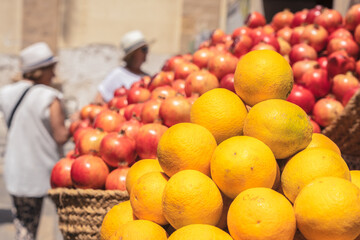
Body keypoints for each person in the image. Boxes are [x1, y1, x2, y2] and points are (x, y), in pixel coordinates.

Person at [0, 42, 69, 240]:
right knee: (67, 223)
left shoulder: (6, 93)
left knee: (24, 229)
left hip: (17, 171)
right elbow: (61, 136)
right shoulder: (50, 97)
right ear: (41, 71)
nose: (54, 74)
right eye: (51, 69)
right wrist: (74, 125)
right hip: (45, 171)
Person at [94, 30, 150, 104]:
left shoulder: (148, 77)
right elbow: (99, 98)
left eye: (147, 49)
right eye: (144, 49)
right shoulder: (118, 73)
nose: (147, 52)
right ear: (133, 54)